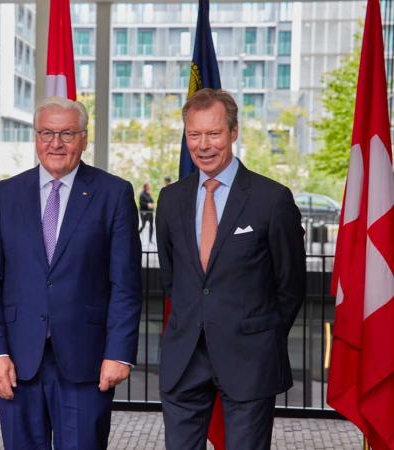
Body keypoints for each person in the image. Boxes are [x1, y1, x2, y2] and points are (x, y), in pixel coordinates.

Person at [0, 97, 142, 449]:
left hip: (88, 362)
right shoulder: (4, 194)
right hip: (16, 362)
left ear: (84, 138)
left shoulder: (114, 193)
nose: (56, 143)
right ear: (35, 137)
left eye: (67, 133)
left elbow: (125, 284)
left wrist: (119, 352)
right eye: (47, 133)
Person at [155, 88, 306, 450]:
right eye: (194, 134)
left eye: (213, 133)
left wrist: (257, 333)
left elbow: (290, 286)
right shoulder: (170, 199)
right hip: (185, 357)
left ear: (233, 133)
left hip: (249, 358)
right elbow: (172, 276)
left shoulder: (272, 199)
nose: (203, 145)